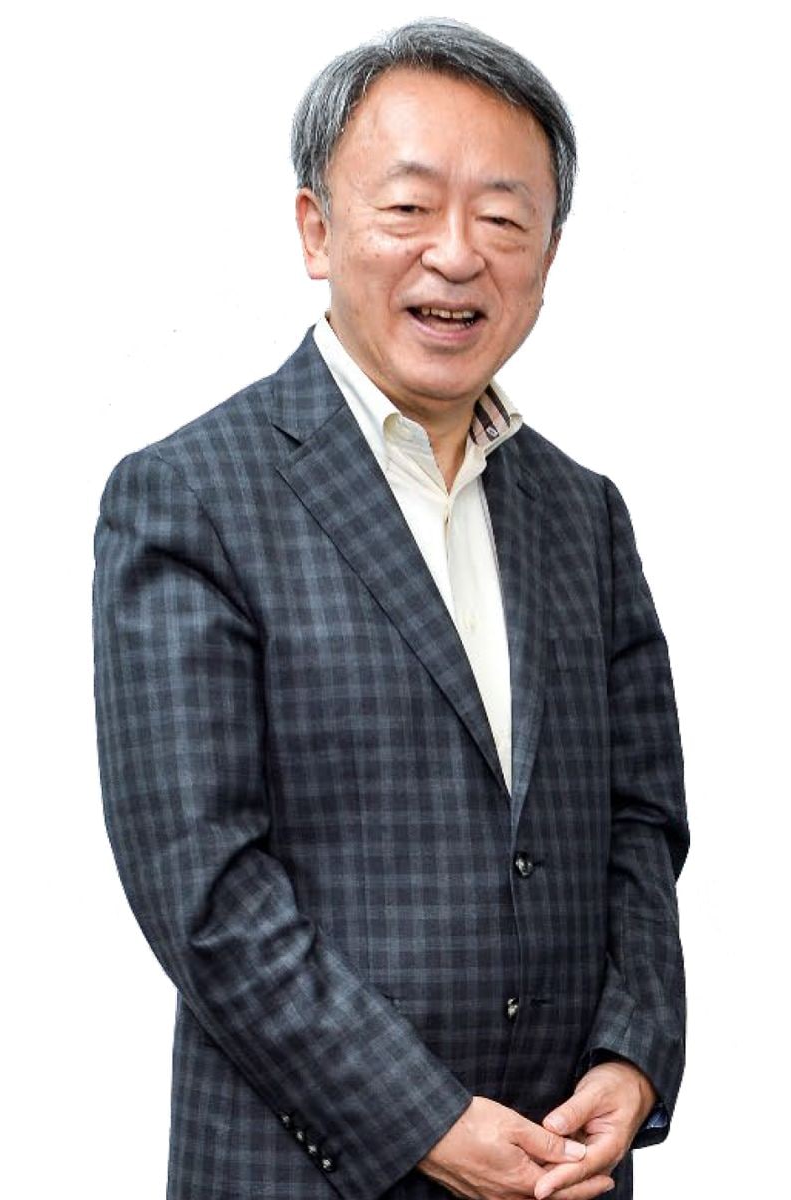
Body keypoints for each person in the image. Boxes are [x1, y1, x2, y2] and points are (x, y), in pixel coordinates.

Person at [93, 19, 688, 1200]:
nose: (456, 255)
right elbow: (203, 888)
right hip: (298, 1173)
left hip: (562, 1169)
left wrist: (631, 1055)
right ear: (316, 230)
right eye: (408, 208)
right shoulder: (189, 497)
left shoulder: (584, 514)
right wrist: (425, 1122)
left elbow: (639, 823)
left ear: (549, 251)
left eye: (503, 218)